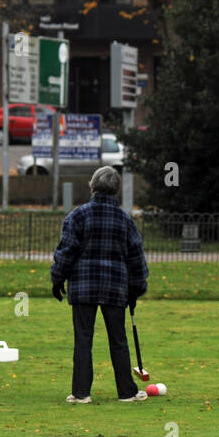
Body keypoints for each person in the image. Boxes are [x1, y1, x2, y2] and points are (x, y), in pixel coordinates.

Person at [50, 165, 149, 404]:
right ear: (116, 190)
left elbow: (66, 251)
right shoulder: (125, 220)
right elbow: (136, 257)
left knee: (83, 339)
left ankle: (81, 392)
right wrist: (137, 288)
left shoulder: (77, 216)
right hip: (115, 287)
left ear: (93, 186)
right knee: (118, 340)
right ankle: (127, 391)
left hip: (83, 287)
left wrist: (57, 278)